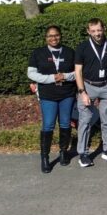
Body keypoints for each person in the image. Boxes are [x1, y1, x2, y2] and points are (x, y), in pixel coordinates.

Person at [74, 18, 107, 167]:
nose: (97, 33)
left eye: (99, 30)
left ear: (104, 29)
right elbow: (78, 71)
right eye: (93, 31)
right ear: (88, 31)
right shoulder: (82, 47)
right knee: (85, 120)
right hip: (88, 86)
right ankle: (83, 154)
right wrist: (82, 92)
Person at [27, 25, 77, 173]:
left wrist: (65, 76)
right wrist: (51, 78)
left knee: (65, 123)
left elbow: (78, 72)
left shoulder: (69, 52)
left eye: (56, 35)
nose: (53, 38)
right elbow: (31, 73)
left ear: (60, 36)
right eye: (50, 36)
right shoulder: (38, 53)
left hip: (67, 93)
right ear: (46, 38)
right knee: (48, 125)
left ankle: (63, 152)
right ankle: (45, 157)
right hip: (48, 94)